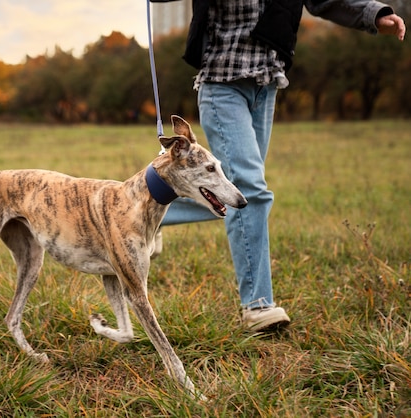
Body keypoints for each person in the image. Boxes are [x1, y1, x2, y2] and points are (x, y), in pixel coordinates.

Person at [151, 0, 406, 331]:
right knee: (250, 189)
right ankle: (258, 306)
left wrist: (373, 14)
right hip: (221, 85)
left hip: (266, 86)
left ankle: (151, 208)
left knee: (240, 192)